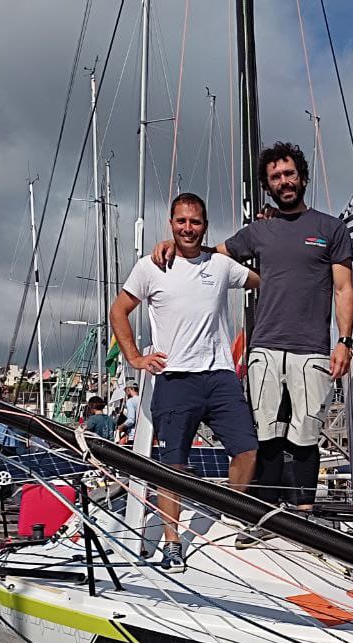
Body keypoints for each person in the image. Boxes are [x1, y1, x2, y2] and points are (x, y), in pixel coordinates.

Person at [152, 142, 353, 528]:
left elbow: (344, 289)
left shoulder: (331, 229)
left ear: (302, 177)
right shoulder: (259, 231)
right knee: (267, 434)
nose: (284, 181)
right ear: (268, 185)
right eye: (276, 177)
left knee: (306, 431)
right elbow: (209, 252)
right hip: (263, 346)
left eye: (289, 174)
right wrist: (173, 244)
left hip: (311, 346)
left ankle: (305, 516)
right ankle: (266, 518)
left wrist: (344, 341)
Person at [110, 191, 262, 568]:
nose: (188, 228)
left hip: (220, 375)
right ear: (171, 223)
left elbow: (260, 280)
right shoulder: (150, 267)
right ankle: (173, 539)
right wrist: (134, 357)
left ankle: (231, 512)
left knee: (247, 449)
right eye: (181, 221)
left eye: (195, 222)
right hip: (175, 378)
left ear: (205, 226)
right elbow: (119, 310)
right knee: (172, 464)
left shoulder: (222, 265)